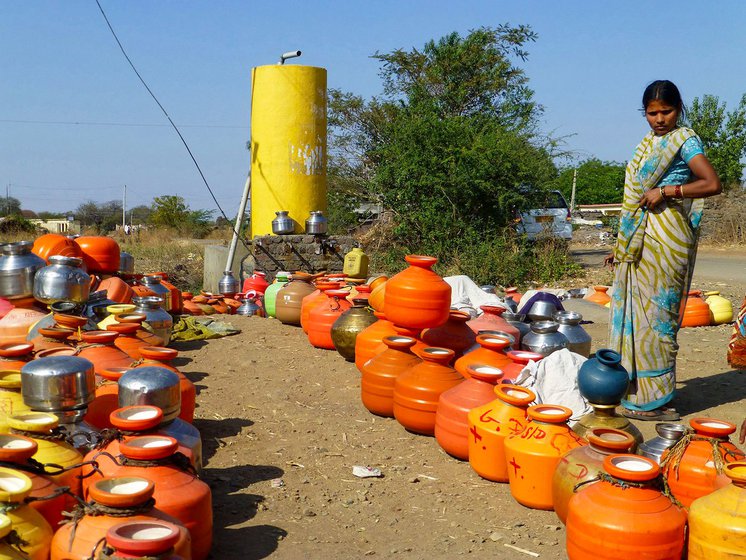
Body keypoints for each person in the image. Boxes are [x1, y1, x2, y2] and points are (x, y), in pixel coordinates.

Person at [605, 80, 721, 421]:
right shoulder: (647, 144)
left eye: (666, 111)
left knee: (658, 319)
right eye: (652, 113)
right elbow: (634, 201)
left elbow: (711, 183)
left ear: (678, 109)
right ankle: (636, 392)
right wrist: (620, 246)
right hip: (640, 242)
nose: (659, 119)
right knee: (637, 319)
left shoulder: (684, 140)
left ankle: (658, 401)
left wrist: (668, 191)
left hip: (667, 239)